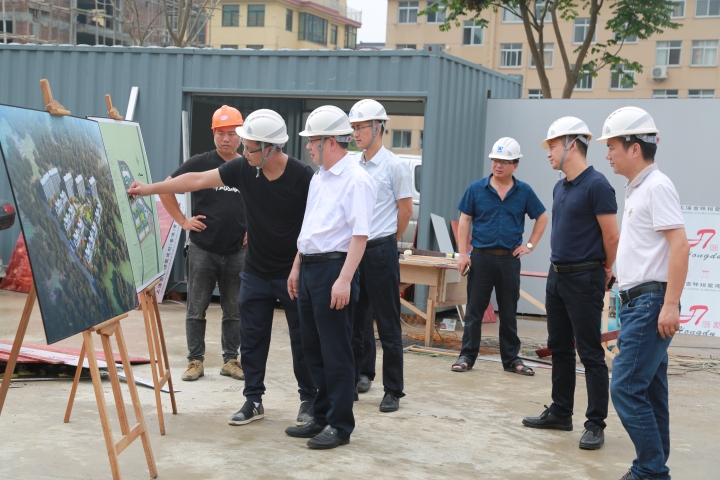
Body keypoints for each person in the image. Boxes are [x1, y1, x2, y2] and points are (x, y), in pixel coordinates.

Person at [128, 109, 317, 428]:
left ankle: (309, 399)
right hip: (255, 271)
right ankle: (253, 400)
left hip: (292, 274)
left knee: (302, 338)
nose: (243, 151)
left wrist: (300, 264)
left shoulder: (302, 176)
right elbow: (197, 179)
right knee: (252, 339)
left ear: (269, 148)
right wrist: (150, 188)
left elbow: (315, 224)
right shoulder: (244, 168)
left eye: (249, 147)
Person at [598, 107, 689, 480]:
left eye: (612, 146)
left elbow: (680, 246)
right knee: (650, 390)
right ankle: (654, 468)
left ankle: (650, 471)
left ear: (634, 148)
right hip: (640, 301)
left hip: (652, 303)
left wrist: (670, 305)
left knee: (625, 387)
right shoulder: (637, 188)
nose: (608, 154)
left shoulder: (656, 186)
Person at [522, 117, 619, 451]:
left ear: (572, 145)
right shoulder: (560, 186)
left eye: (552, 146)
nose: (548, 153)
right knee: (560, 346)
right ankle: (561, 412)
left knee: (590, 352)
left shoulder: (597, 185)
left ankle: (595, 424)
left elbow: (611, 236)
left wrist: (606, 268)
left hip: (584, 276)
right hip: (557, 275)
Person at [284, 105, 377, 450]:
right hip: (310, 266)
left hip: (334, 269)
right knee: (313, 348)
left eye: (313, 141)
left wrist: (344, 279)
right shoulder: (319, 177)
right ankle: (321, 415)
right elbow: (309, 228)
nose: (308, 147)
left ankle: (340, 424)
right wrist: (297, 265)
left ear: (330, 142)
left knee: (336, 350)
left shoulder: (356, 180)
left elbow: (360, 235)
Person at [157, 105, 246, 383]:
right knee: (196, 310)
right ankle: (195, 361)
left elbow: (264, 201)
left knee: (234, 311)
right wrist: (182, 221)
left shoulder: (248, 165)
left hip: (238, 251)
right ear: (213, 134)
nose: (226, 139)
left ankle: (231, 360)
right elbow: (166, 188)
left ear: (241, 135)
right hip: (202, 250)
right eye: (221, 133)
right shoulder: (199, 163)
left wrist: (253, 231)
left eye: (232, 133)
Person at [452, 137, 548, 376]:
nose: (498, 165)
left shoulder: (524, 191)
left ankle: (512, 359)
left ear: (515, 165)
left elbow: (542, 217)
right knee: (474, 311)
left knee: (508, 312)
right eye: (495, 160)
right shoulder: (476, 189)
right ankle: (467, 356)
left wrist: (530, 245)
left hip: (508, 260)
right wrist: (463, 253)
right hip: (481, 258)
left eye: (504, 161)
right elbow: (464, 219)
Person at [348, 99, 413, 412]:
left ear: (378, 127)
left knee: (387, 323)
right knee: (353, 319)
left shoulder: (394, 166)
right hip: (353, 251)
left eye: (361, 127)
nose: (356, 133)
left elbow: (405, 210)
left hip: (380, 250)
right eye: (354, 128)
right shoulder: (352, 164)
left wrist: (389, 240)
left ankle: (393, 390)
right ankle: (352, 380)